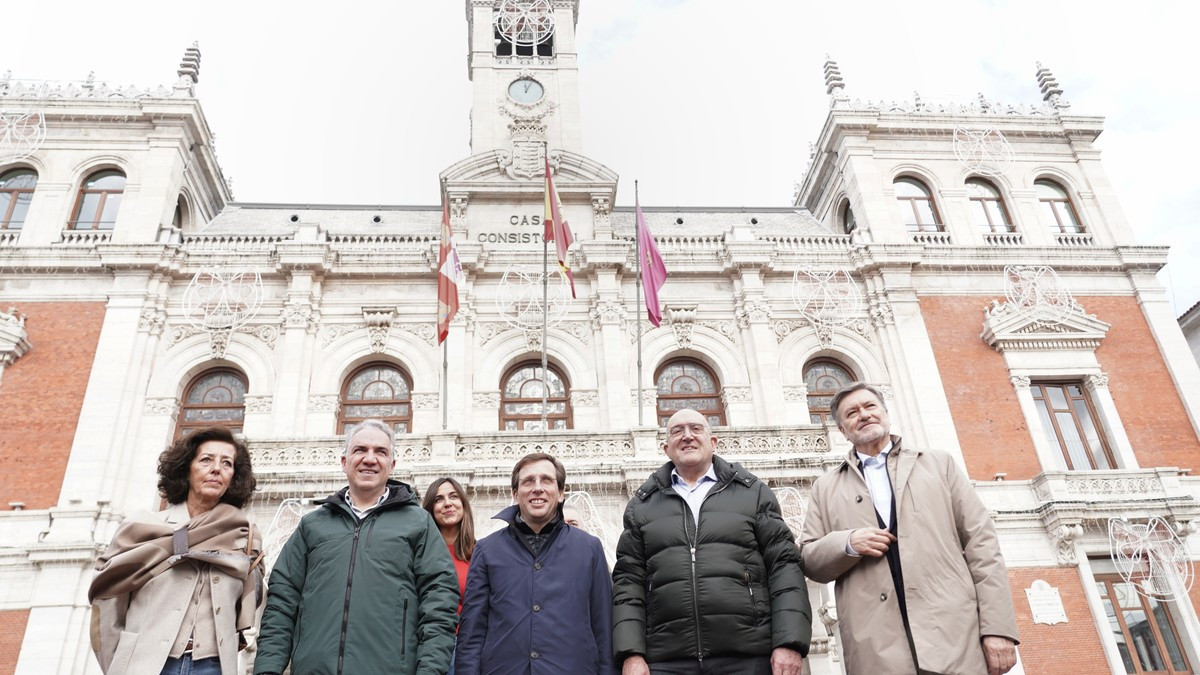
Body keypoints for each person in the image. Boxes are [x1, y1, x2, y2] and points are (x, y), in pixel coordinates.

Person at [801, 382, 1020, 675]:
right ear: (842, 430)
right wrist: (848, 543)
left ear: (886, 413)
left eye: (870, 407)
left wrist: (998, 628)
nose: (863, 415)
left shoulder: (939, 465)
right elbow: (808, 559)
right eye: (852, 413)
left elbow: (983, 545)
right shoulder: (825, 487)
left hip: (953, 637)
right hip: (875, 651)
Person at [612, 409, 810, 675]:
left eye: (696, 428)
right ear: (666, 448)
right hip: (668, 661)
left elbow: (784, 566)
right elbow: (628, 583)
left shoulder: (753, 493)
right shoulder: (641, 505)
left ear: (713, 441)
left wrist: (789, 642)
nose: (687, 436)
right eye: (677, 431)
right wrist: (631, 654)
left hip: (747, 656)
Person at [254, 419, 459, 675]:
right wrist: (267, 669)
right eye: (360, 450)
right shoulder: (312, 525)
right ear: (344, 461)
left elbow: (440, 603)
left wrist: (430, 671)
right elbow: (282, 602)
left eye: (380, 452)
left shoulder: (418, 523)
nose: (370, 459)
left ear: (392, 465)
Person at [90, 426, 264, 675]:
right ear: (186, 468)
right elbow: (106, 601)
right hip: (146, 665)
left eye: (227, 463)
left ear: (234, 476)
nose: (217, 469)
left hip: (213, 667)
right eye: (206, 460)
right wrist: (121, 664)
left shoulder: (244, 537)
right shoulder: (142, 529)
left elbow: (250, 604)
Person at [455, 453, 615, 674]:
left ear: (560, 493)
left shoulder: (589, 548)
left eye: (546, 480)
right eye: (528, 481)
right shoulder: (487, 550)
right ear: (515, 493)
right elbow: (472, 632)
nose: (537, 488)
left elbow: (603, 628)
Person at [422, 476, 476, 614]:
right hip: (429, 634)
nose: (447, 503)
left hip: (470, 634)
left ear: (463, 504)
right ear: (431, 508)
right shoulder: (420, 554)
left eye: (454, 496)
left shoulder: (481, 553)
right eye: (438, 499)